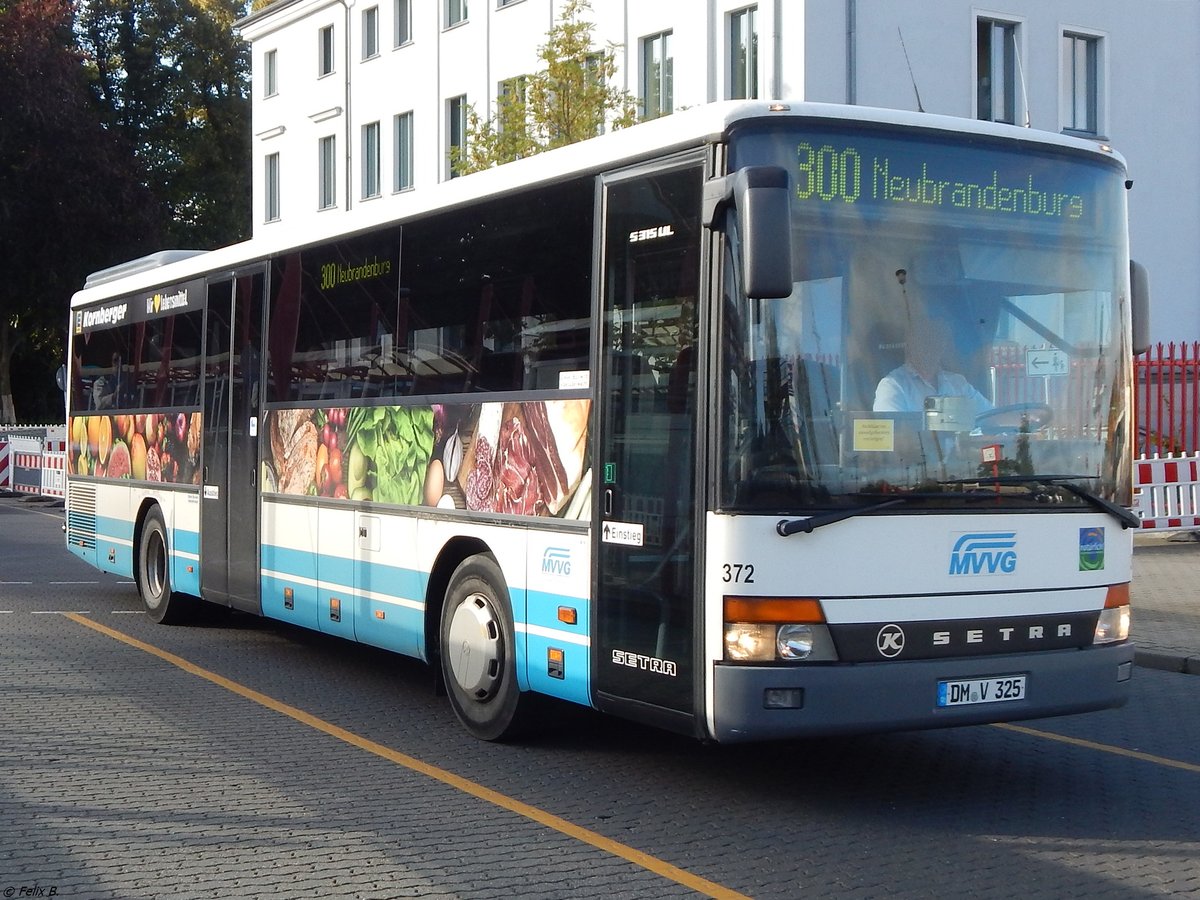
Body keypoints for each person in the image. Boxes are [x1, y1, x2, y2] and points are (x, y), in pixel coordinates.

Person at [873, 315, 991, 418]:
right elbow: (894, 435)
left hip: (966, 445)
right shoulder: (893, 386)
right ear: (910, 342)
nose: (932, 344)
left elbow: (993, 416)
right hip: (920, 445)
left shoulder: (958, 384)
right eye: (925, 337)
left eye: (938, 337)